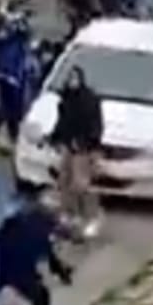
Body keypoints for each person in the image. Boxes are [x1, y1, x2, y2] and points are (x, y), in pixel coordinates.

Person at [48, 65, 103, 240]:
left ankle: (90, 217)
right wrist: (54, 137)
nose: (72, 81)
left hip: (83, 146)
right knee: (64, 182)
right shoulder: (66, 99)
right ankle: (68, 218)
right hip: (67, 145)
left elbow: (95, 124)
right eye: (70, 77)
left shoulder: (89, 100)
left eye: (75, 78)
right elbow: (62, 121)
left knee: (80, 184)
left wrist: (88, 142)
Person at [0, 8, 34, 151]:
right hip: (7, 71)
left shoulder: (18, 33)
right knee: (9, 105)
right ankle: (5, 135)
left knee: (12, 106)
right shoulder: (5, 33)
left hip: (15, 72)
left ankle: (7, 135)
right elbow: (0, 37)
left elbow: (26, 34)